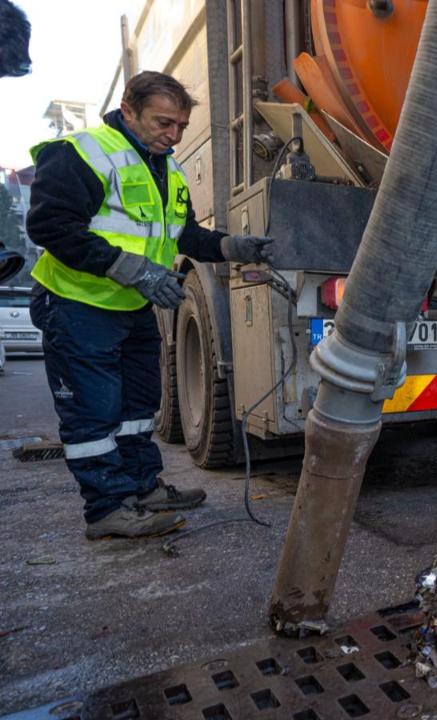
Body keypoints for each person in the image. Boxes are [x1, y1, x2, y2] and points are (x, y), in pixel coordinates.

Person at [26, 71, 275, 540]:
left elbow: (182, 235)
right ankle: (106, 511)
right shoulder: (82, 152)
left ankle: (141, 489)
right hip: (78, 304)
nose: (174, 135)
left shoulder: (165, 167)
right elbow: (50, 225)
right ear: (129, 110)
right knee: (94, 412)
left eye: (180, 125)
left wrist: (231, 246)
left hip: (129, 308)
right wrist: (134, 270)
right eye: (164, 123)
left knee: (139, 405)